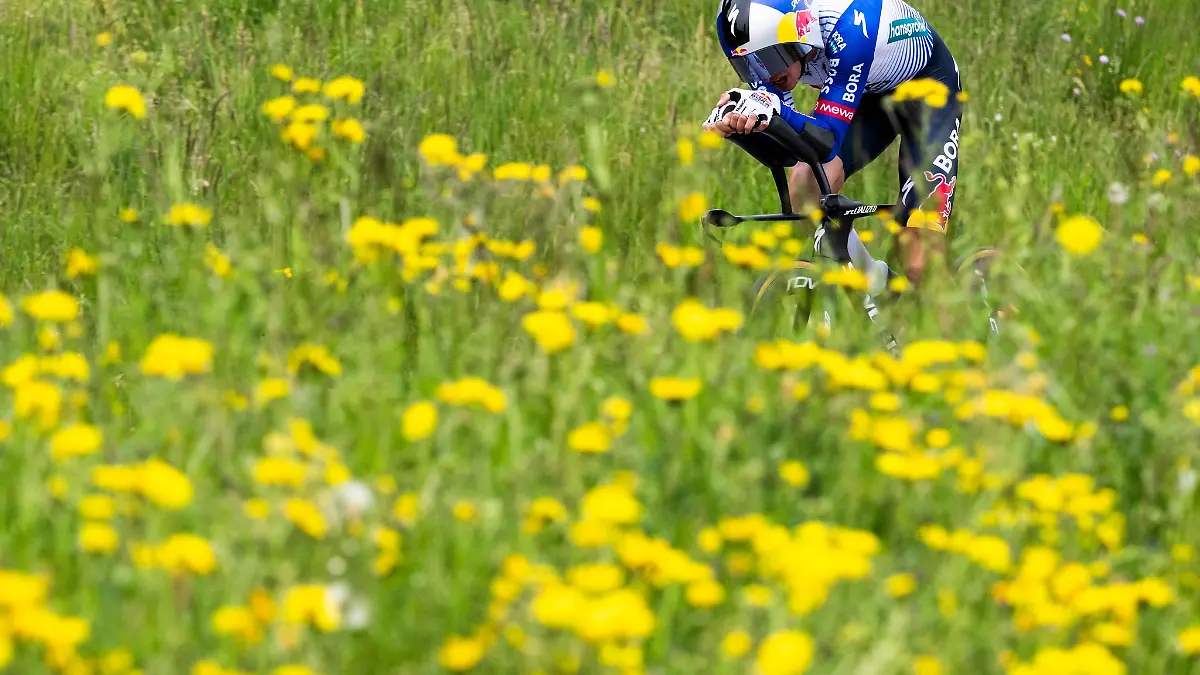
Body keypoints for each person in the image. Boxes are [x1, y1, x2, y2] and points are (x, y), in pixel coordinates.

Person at [702, 0, 962, 294]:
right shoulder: (778, 53)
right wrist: (740, 127)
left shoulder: (848, 29)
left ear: (800, 33)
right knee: (804, 183)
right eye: (748, 64)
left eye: (770, 58)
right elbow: (788, 153)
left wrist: (776, 110)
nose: (763, 74)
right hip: (866, 93)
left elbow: (826, 143)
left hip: (930, 93)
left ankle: (975, 329)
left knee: (919, 261)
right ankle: (880, 290)